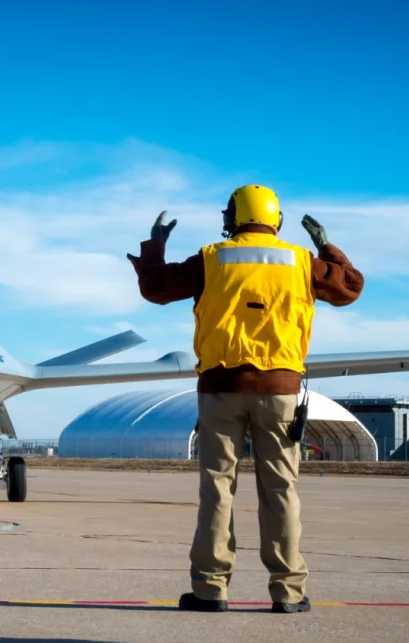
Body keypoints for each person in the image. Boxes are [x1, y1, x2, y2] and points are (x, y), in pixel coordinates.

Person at [128, 185, 363, 613]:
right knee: (281, 489)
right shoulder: (300, 262)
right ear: (276, 220)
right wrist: (326, 245)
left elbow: (156, 289)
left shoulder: (212, 258)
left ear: (232, 217)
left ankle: (210, 590)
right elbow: (350, 287)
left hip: (221, 388)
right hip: (279, 391)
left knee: (217, 488)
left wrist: (156, 244)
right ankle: (289, 592)